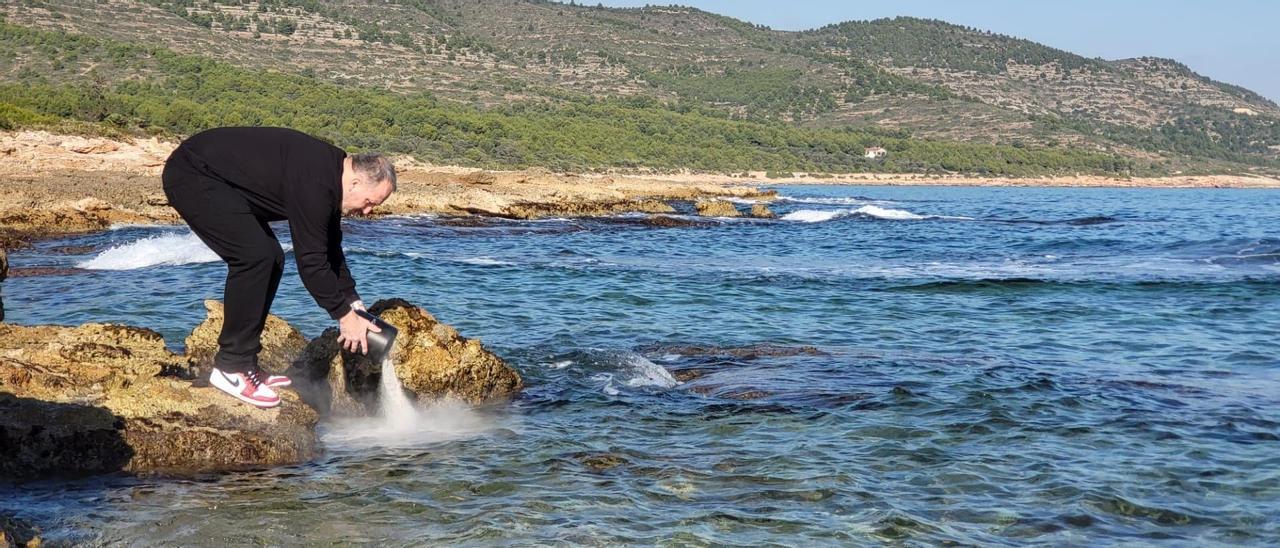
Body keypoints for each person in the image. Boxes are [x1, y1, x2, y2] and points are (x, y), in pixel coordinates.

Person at [162, 127, 396, 408]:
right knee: (255, 257)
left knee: (271, 256)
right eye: (370, 202)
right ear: (356, 182)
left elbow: (330, 247)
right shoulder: (316, 184)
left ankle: (245, 364)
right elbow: (311, 264)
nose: (368, 212)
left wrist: (354, 303)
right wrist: (345, 318)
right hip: (193, 175)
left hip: (222, 181)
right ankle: (230, 369)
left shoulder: (331, 175)